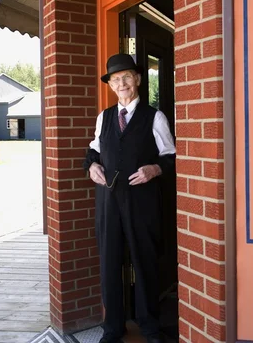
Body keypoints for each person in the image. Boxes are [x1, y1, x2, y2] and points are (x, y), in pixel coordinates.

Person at [83, 53, 175, 343]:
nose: (121, 83)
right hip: (109, 203)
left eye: (126, 77)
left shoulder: (154, 116)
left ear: (137, 80)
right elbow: (93, 152)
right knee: (110, 264)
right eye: (115, 79)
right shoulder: (105, 117)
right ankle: (113, 327)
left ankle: (149, 326)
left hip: (141, 203)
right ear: (110, 85)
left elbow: (172, 156)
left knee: (144, 262)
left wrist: (155, 168)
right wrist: (92, 166)